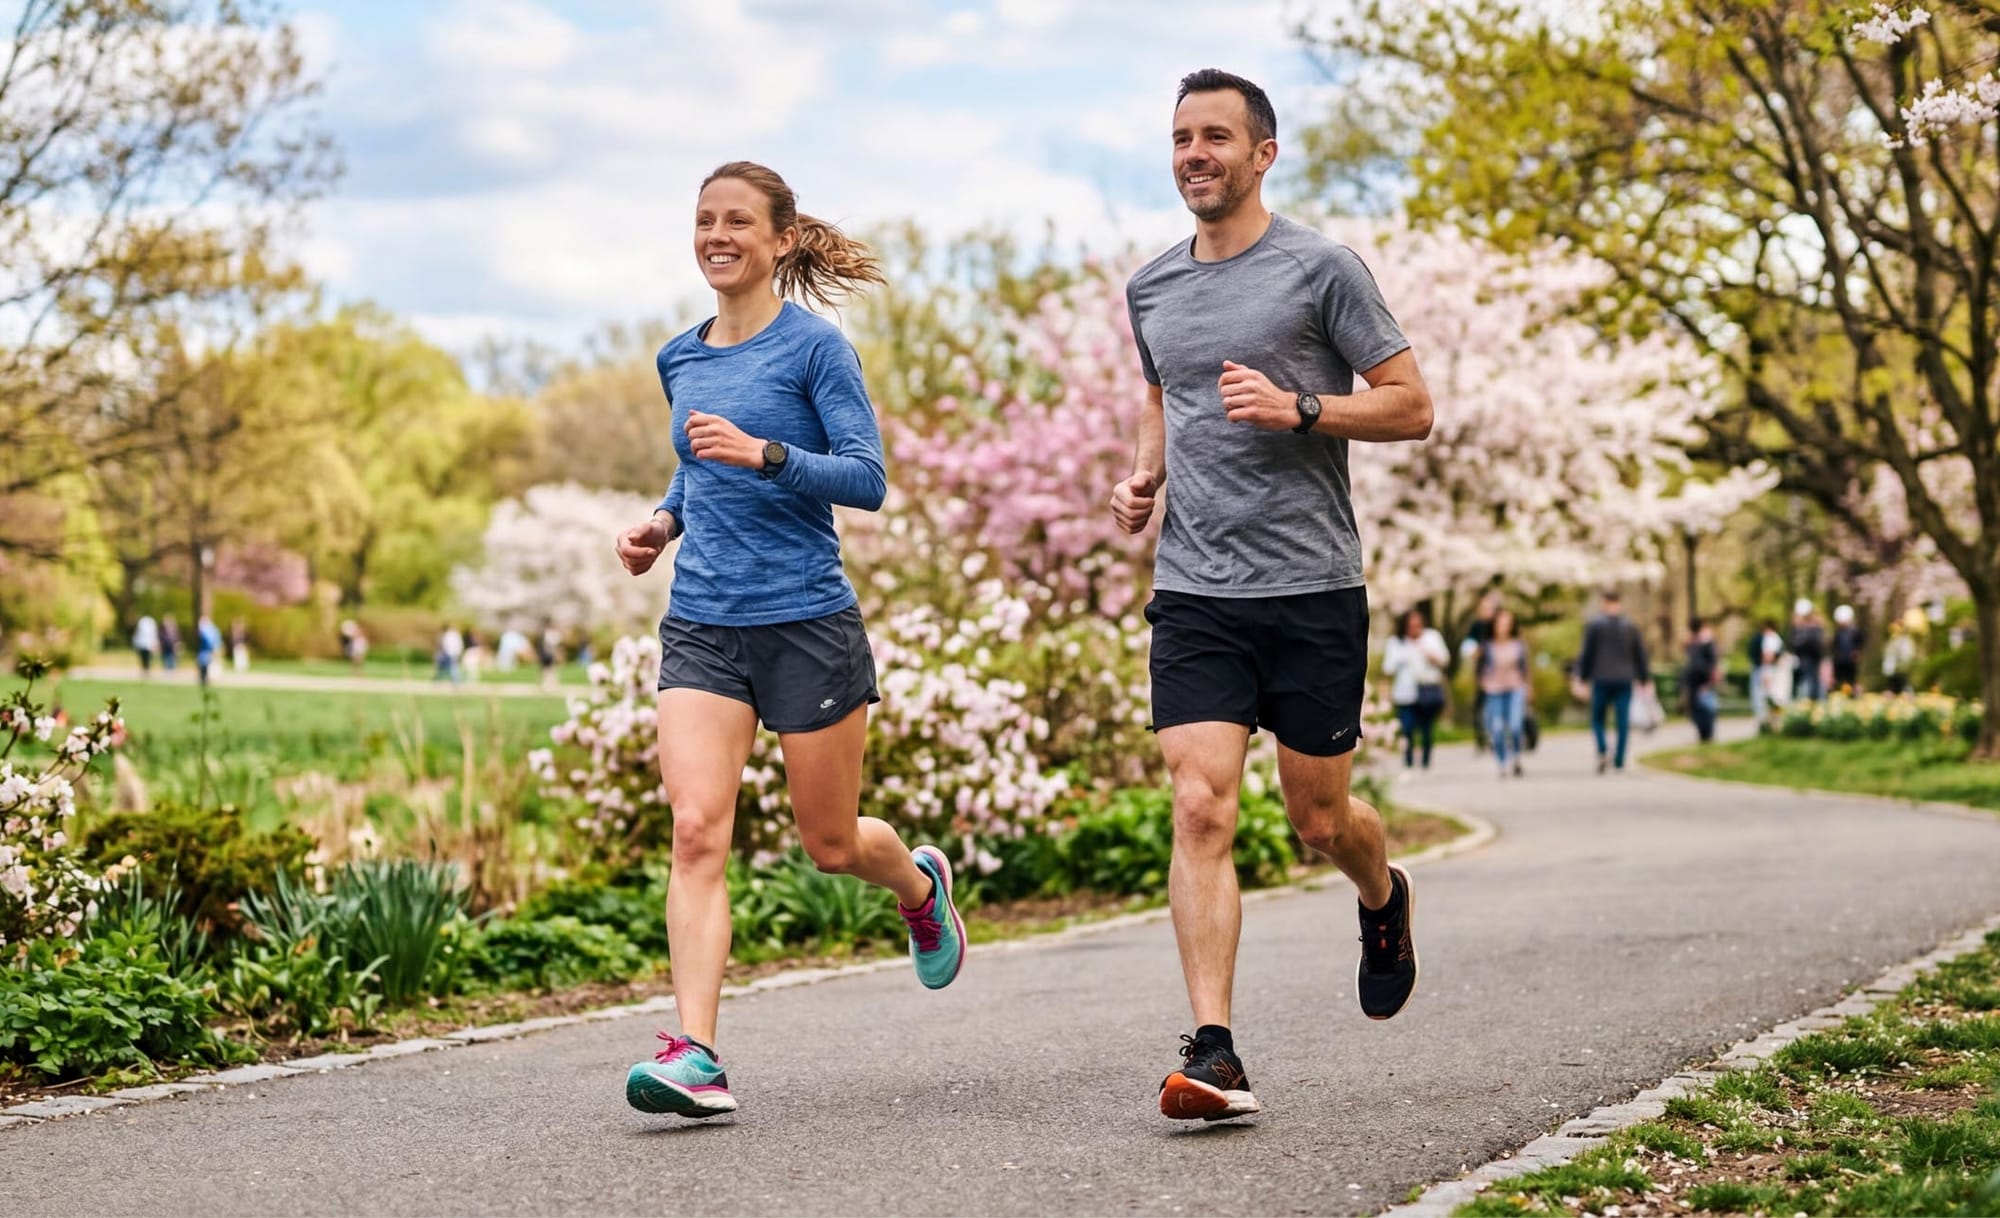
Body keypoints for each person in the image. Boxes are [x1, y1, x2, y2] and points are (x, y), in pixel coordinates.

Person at [1111, 69, 1433, 1123]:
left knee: (1316, 816)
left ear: (1262, 154)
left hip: (1309, 587)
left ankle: (1381, 897)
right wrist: (1147, 472)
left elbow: (1409, 405)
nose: (1192, 153)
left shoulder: (1321, 270)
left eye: (1214, 137)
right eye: (1179, 138)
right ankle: (1213, 1049)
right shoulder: (1150, 287)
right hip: (1197, 588)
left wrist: (1300, 408)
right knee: (1198, 805)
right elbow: (1164, 388)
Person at [614, 160, 961, 1121]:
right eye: (703, 220)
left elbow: (865, 479)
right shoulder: (678, 357)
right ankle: (697, 1055)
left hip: (806, 620)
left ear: (779, 239)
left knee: (832, 841)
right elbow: (697, 469)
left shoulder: (816, 352)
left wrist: (768, 453)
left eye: (736, 221)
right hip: (704, 625)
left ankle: (919, 885)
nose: (716, 235)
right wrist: (662, 522)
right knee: (695, 832)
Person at [1577, 588, 1651, 773]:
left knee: (1598, 719)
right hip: (1624, 678)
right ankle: (1619, 759)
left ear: (1604, 603)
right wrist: (1645, 678)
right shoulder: (1630, 626)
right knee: (1622, 720)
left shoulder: (1595, 626)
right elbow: (1640, 655)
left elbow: (1587, 655)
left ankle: (1603, 749)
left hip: (1601, 678)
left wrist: (1582, 678)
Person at [1384, 609, 1451, 770]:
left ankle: (1426, 760)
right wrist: (1402, 656)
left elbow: (1445, 660)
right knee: (1407, 728)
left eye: (1418, 625)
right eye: (1411, 626)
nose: (1415, 629)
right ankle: (1408, 760)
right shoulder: (1396, 642)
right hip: (1405, 693)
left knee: (1427, 728)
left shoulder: (1432, 637)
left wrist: (1429, 654)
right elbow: (1388, 668)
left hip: (1427, 691)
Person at [1477, 609, 1530, 777]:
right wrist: (1484, 683)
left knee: (1515, 726)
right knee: (1497, 728)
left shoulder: (1519, 645)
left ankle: (1516, 757)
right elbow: (1479, 669)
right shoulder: (1487, 646)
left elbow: (1525, 669)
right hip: (1494, 691)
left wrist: (1528, 687)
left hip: (1515, 688)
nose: (1503, 628)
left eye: (1507, 624)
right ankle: (1502, 762)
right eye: (1500, 624)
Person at [1682, 617, 1721, 744]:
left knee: (1707, 708)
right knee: (1696, 709)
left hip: (1705, 680)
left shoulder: (1707, 642)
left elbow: (1713, 660)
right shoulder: (1693, 642)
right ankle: (1702, 734)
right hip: (1694, 680)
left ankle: (1708, 735)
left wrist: (1711, 677)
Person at [1789, 598, 1827, 703]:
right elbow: (1793, 643)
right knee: (1804, 685)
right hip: (1802, 661)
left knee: (1811, 685)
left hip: (1811, 660)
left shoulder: (1815, 628)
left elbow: (1817, 645)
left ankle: (1810, 704)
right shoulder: (1798, 628)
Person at [1830, 604, 1863, 693]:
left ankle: (1851, 694)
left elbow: (1859, 645)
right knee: (1839, 680)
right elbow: (1835, 646)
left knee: (1851, 680)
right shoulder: (1838, 632)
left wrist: (1855, 654)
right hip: (1839, 661)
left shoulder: (1855, 631)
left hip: (1850, 661)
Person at [1882, 618, 1916, 695]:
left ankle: (1906, 695)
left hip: (1902, 667)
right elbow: (1889, 654)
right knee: (1892, 685)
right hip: (1893, 668)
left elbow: (1907, 654)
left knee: (1904, 683)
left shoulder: (1905, 640)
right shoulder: (1893, 639)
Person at [194, 615, 222, 689]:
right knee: (205, 668)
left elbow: (210, 642)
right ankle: (205, 681)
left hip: (206, 652)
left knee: (205, 668)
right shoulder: (213, 629)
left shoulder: (206, 630)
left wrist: (214, 649)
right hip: (207, 652)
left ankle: (205, 681)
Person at [536, 622, 562, 691]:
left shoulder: (550, 634)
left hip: (549, 654)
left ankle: (550, 683)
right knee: (546, 669)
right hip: (547, 654)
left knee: (550, 669)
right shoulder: (547, 634)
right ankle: (544, 684)